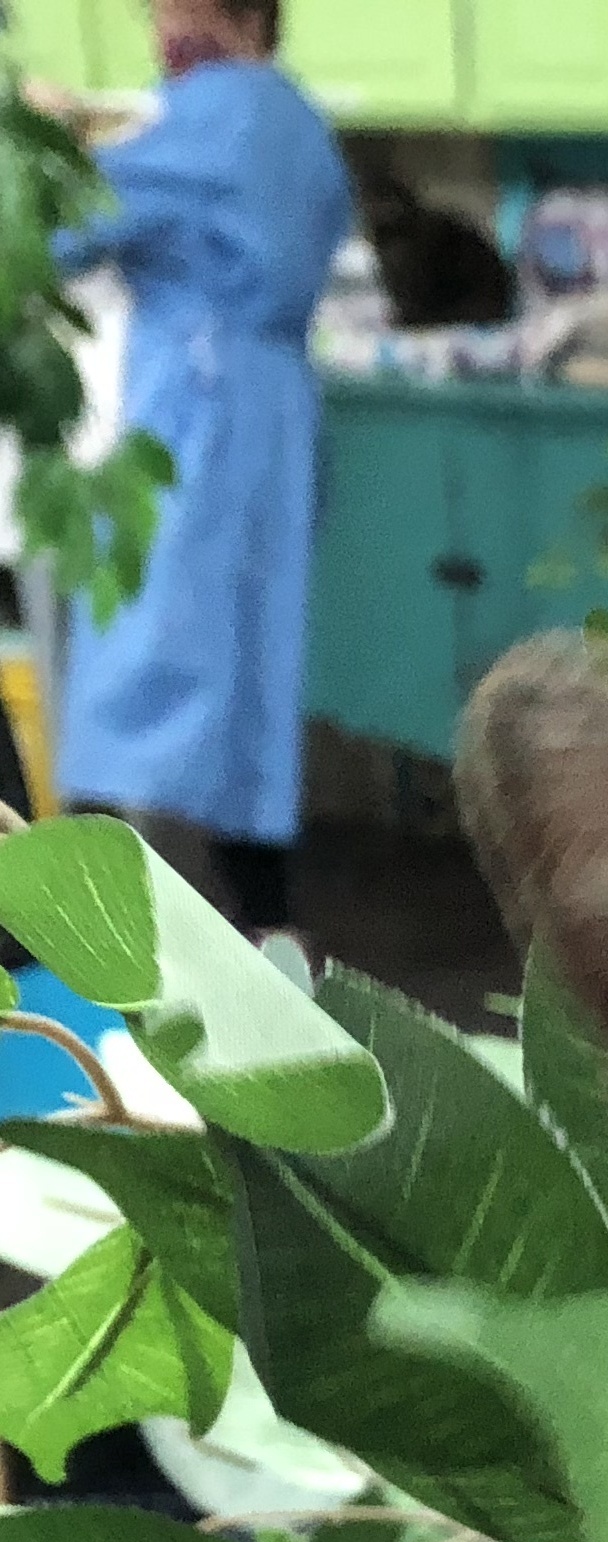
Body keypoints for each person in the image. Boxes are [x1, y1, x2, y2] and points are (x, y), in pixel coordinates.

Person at [45, 0, 353, 932]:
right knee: (250, 674)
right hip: (279, 413)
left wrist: (48, 138)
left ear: (237, 12)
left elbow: (62, 230)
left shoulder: (207, 114)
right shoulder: (297, 120)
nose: (159, 30)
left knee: (141, 654)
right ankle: (269, 927)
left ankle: (79, 919)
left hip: (197, 412)